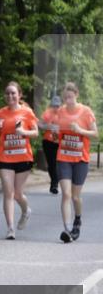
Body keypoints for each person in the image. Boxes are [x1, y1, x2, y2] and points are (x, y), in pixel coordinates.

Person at [53, 82, 98, 243]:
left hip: (80, 159)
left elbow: (95, 134)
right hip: (64, 157)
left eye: (70, 97)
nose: (68, 101)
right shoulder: (60, 111)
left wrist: (80, 131)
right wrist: (54, 133)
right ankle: (67, 229)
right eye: (65, 98)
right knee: (66, 193)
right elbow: (56, 132)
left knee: (76, 197)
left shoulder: (86, 112)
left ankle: (77, 220)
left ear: (76, 95)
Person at [0, 82, 38, 240]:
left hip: (23, 157)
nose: (10, 96)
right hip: (5, 156)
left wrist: (22, 132)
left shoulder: (27, 112)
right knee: (8, 192)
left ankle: (26, 211)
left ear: (19, 95)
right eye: (7, 93)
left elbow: (36, 133)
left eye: (13, 93)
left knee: (18, 194)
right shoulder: (1, 113)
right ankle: (10, 228)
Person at [40, 95, 63, 194]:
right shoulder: (47, 113)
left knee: (56, 164)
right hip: (48, 142)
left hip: (60, 142)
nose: (56, 108)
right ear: (51, 105)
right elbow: (39, 124)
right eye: (54, 106)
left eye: (57, 106)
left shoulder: (64, 114)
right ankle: (54, 182)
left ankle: (54, 184)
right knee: (51, 164)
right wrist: (47, 126)